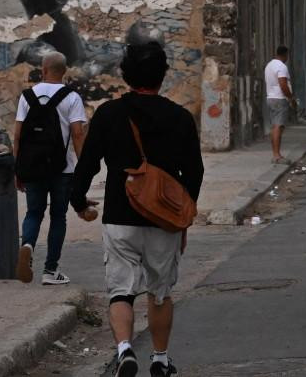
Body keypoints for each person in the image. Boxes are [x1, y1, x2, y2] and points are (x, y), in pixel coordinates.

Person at [71, 41, 204, 377]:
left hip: (119, 215)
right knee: (160, 292)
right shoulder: (180, 118)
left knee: (121, 291)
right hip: (164, 220)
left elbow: (86, 164)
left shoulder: (109, 114)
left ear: (126, 74)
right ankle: (159, 359)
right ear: (162, 75)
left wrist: (78, 200)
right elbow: (195, 172)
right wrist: (183, 220)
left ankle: (125, 350)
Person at [13, 52, 87, 285]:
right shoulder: (72, 97)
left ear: (43, 70)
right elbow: (77, 133)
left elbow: (17, 136)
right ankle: (50, 271)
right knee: (58, 216)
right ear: (64, 71)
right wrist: (82, 168)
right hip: (62, 169)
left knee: (33, 212)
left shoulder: (27, 96)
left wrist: (18, 169)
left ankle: (27, 245)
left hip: (33, 167)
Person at [264, 46, 296, 164]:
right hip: (279, 99)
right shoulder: (282, 67)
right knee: (278, 126)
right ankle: (277, 155)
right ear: (285, 54)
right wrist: (291, 98)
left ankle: (275, 154)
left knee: (274, 126)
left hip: (270, 97)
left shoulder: (269, 65)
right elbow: (283, 84)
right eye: (287, 55)